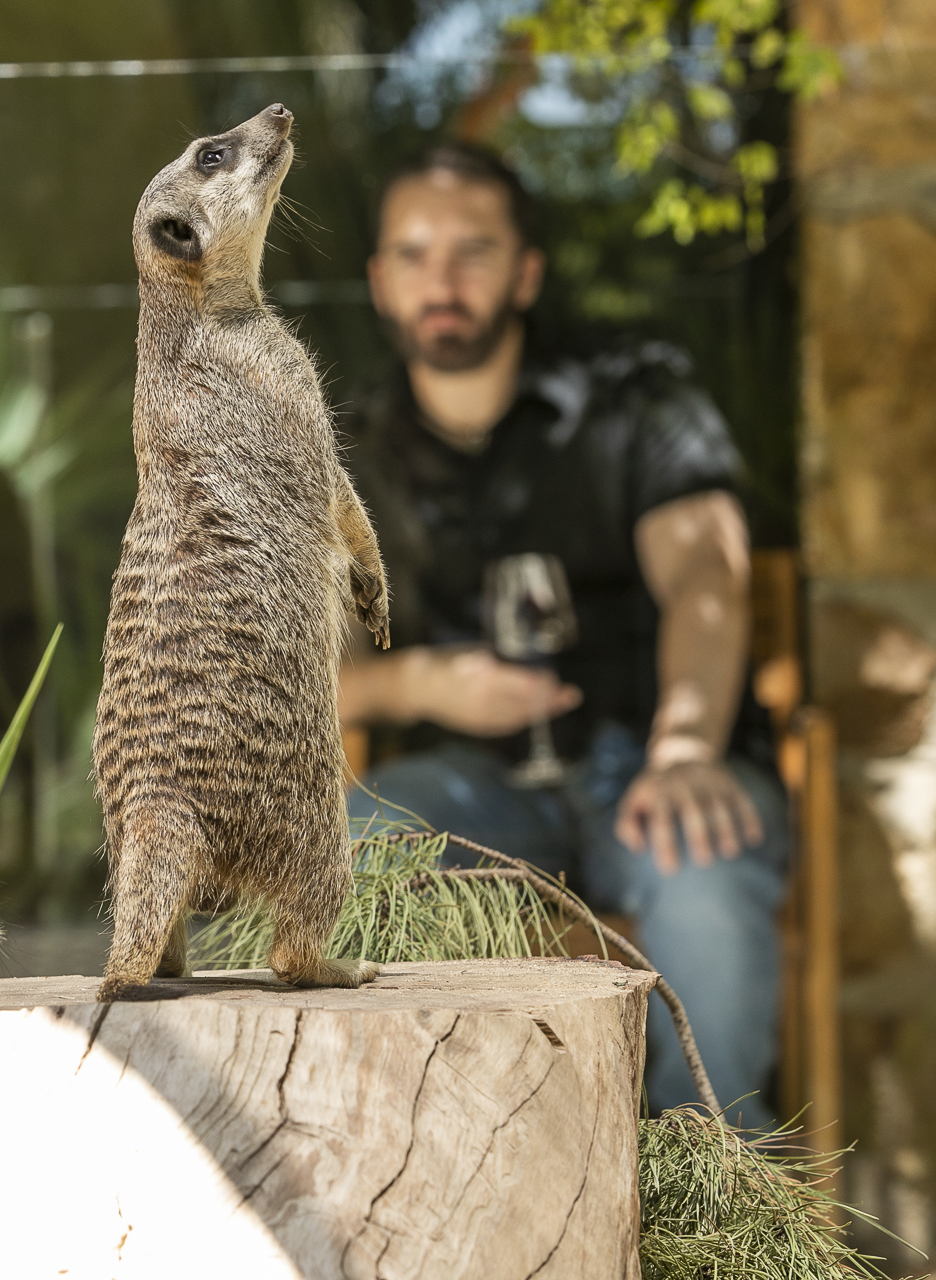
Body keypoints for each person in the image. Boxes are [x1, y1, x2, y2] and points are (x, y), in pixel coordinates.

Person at [340, 144, 789, 1128]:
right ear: (378, 280)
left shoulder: (634, 394)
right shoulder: (349, 446)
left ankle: (719, 1182)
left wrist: (685, 749)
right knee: (351, 848)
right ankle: (426, 1156)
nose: (442, 280)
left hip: (648, 762)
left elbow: (706, 581)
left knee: (703, 866)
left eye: (474, 251)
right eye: (413, 253)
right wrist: (420, 684)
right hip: (475, 784)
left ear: (527, 273)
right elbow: (299, 673)